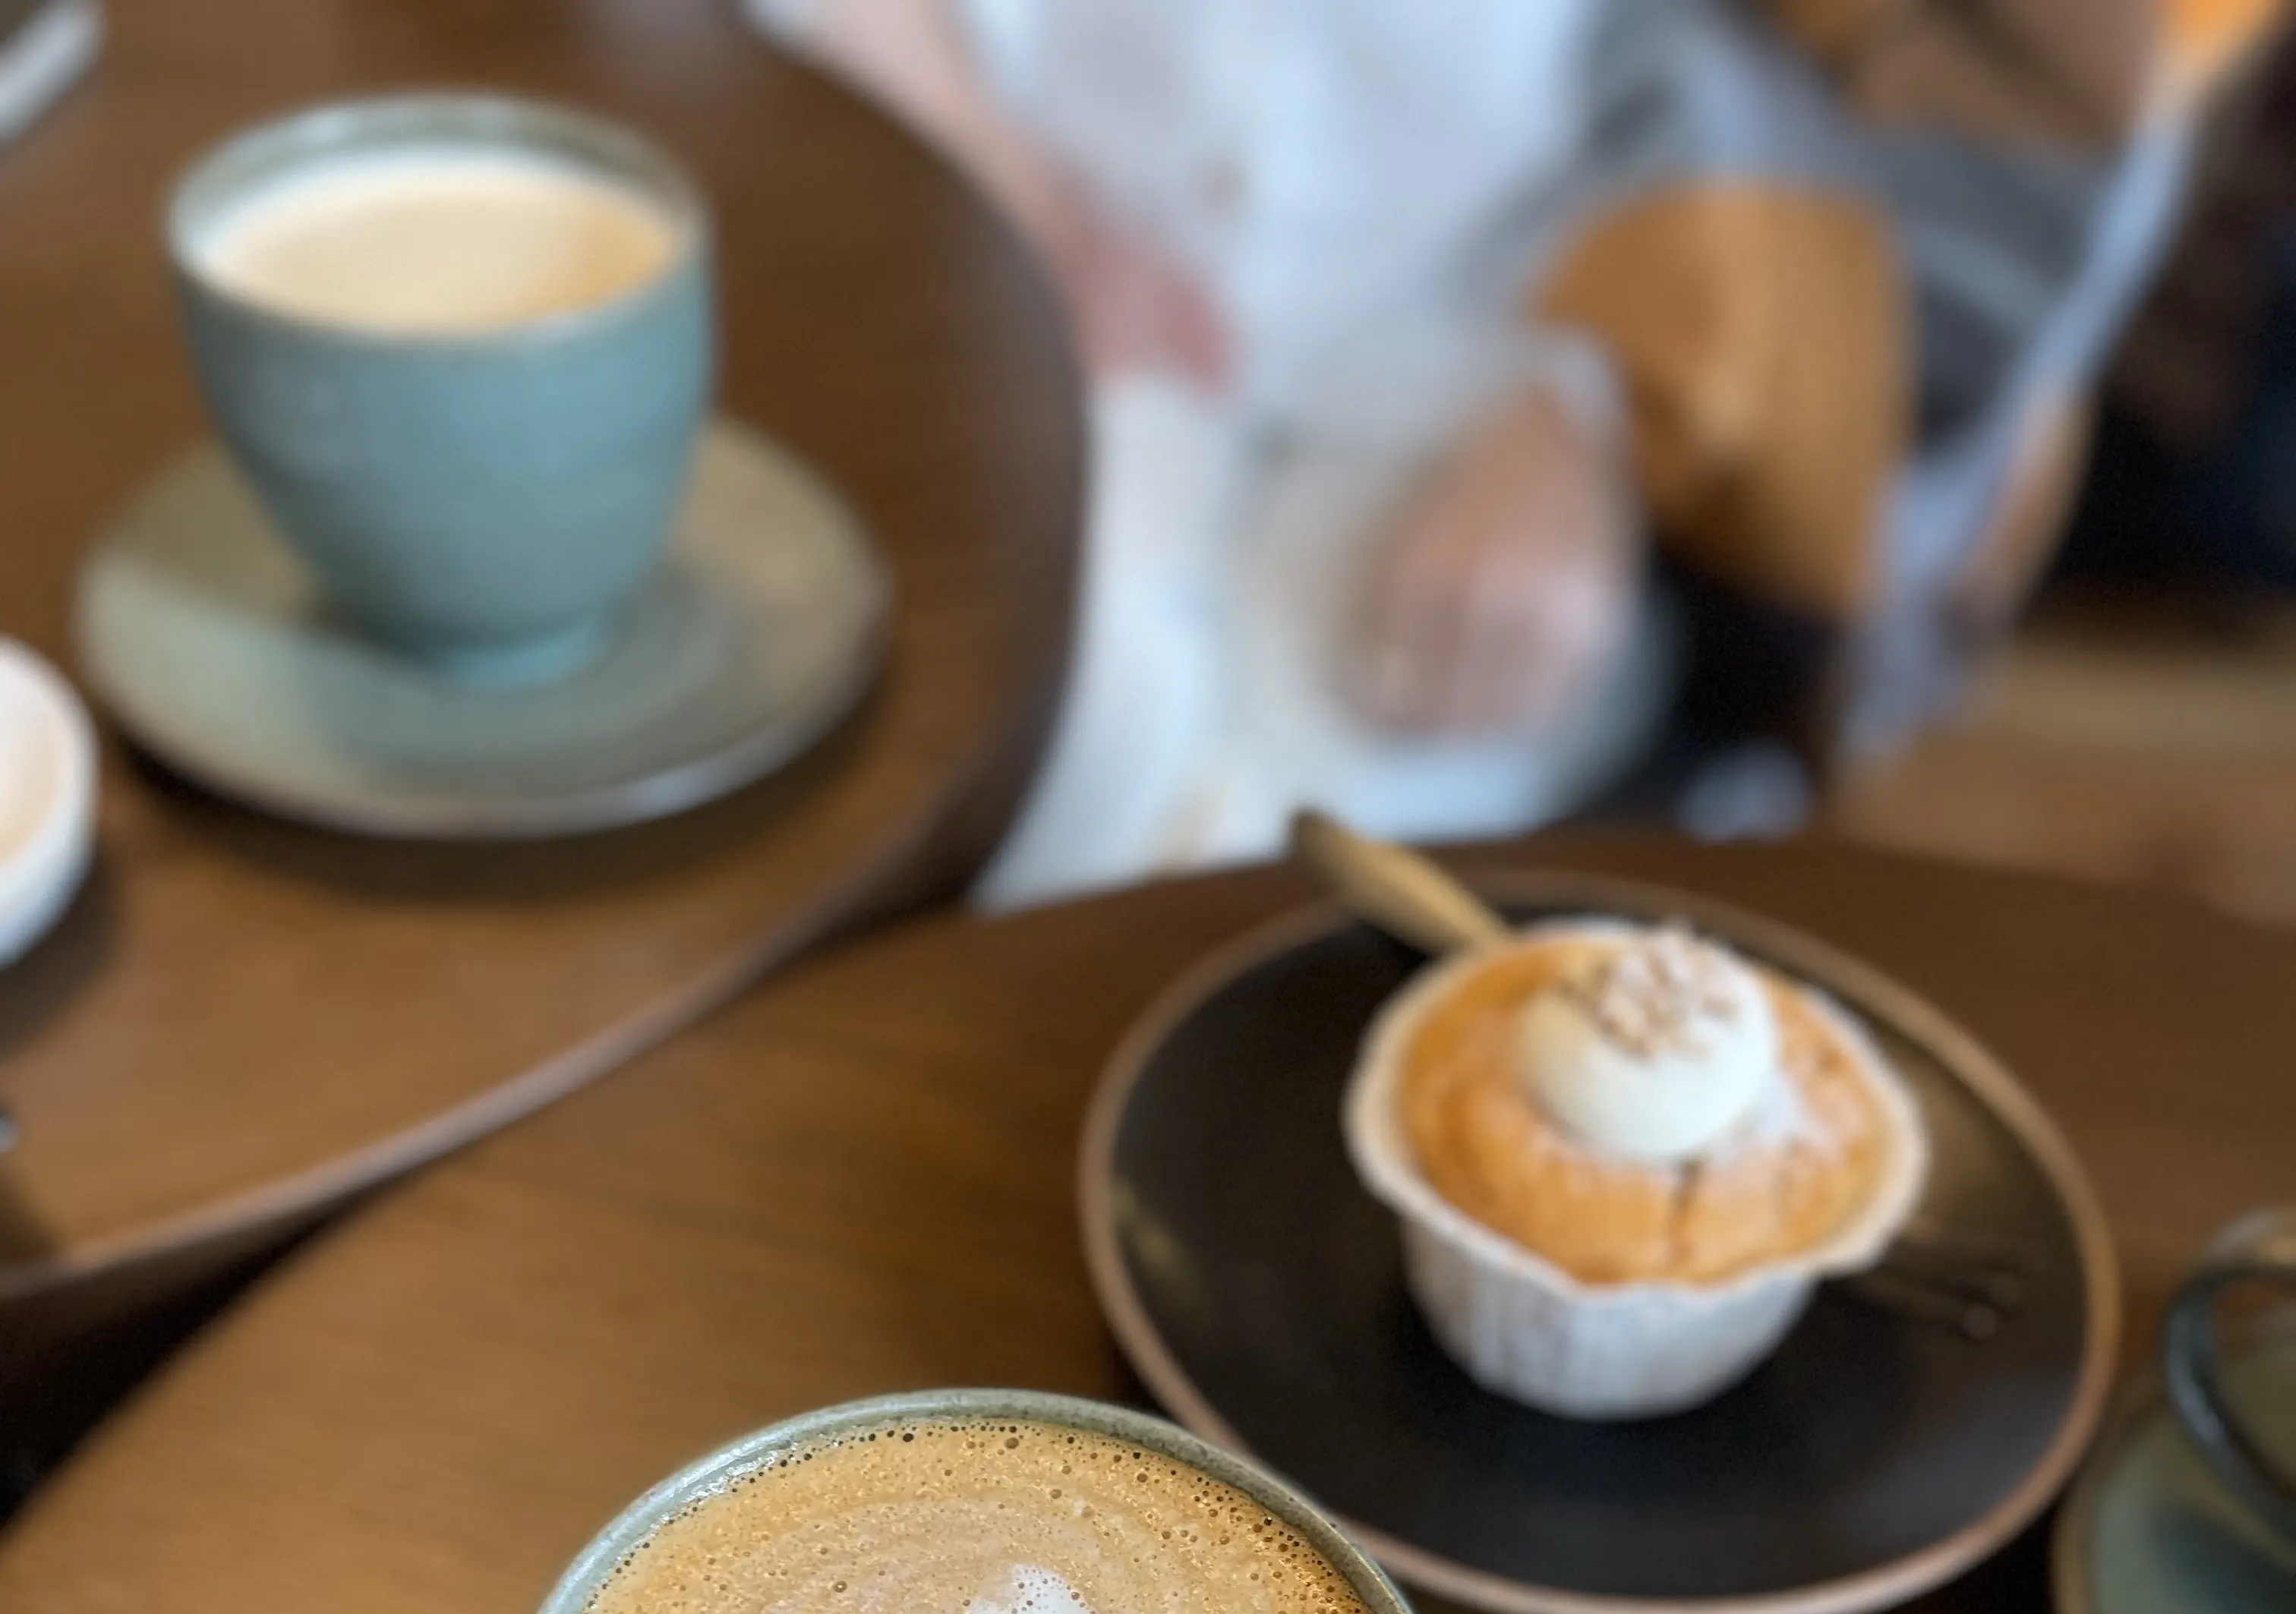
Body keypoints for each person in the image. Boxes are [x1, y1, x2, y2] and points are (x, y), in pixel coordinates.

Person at [749, 0, 2288, 903]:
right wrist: (1020, 201)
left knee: (1349, 894)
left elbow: (1981, 126)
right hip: (959, 217)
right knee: (982, 777)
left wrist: (1606, 405)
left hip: (1496, 324)